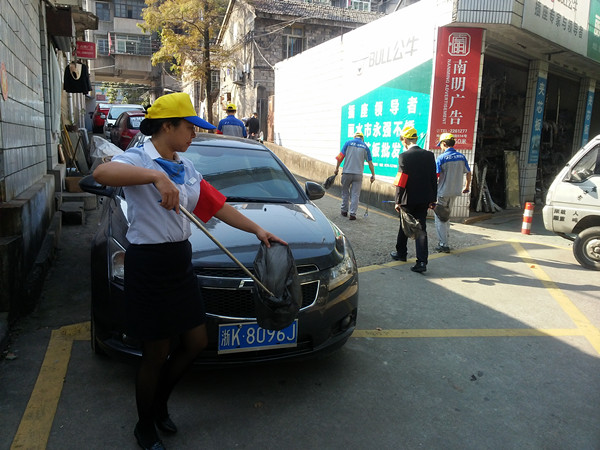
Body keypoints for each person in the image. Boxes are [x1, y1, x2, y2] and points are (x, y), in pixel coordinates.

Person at [92, 92, 286, 450]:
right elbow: (102, 173)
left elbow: (218, 205)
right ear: (168, 126)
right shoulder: (138, 158)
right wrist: (154, 176)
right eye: (189, 127)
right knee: (156, 351)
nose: (194, 134)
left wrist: (258, 230)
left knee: (196, 341)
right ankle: (144, 426)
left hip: (179, 261)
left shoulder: (185, 167)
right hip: (148, 264)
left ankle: (159, 403)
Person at [390, 125, 437, 273]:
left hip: (407, 198)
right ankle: (421, 262)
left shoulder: (404, 156)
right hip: (424, 198)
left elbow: (401, 180)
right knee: (421, 228)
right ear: (415, 139)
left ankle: (401, 253)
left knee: (404, 223)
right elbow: (433, 178)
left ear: (404, 140)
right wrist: (433, 199)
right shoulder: (429, 155)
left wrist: (397, 200)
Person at [434, 132, 472, 253]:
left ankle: (443, 244)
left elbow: (436, 176)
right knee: (447, 216)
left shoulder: (441, 158)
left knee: (440, 218)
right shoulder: (461, 157)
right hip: (455, 191)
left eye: (441, 144)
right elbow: (469, 172)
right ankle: (445, 240)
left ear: (444, 144)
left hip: (443, 192)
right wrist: (466, 186)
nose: (440, 147)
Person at [333, 131, 375, 220]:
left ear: (354, 137)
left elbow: (340, 157)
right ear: (362, 138)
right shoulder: (365, 147)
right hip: (358, 174)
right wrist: (373, 175)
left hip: (347, 172)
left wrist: (336, 168)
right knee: (355, 194)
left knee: (345, 192)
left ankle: (344, 211)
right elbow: (370, 163)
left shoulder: (348, 143)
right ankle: (353, 214)